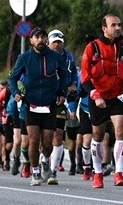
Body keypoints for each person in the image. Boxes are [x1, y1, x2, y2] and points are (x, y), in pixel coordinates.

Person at [11, 26, 70, 186]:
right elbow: (13, 77)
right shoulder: (24, 58)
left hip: (50, 103)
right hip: (31, 103)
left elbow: (65, 75)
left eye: (43, 37)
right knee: (34, 140)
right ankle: (35, 171)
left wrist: (61, 93)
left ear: (46, 40)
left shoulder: (55, 57)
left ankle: (45, 160)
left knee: (48, 142)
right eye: (37, 37)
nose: (40, 40)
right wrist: (16, 92)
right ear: (31, 40)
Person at [85, 13, 123, 188]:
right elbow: (84, 79)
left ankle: (119, 173)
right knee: (98, 135)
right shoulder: (92, 47)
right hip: (98, 97)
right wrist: (96, 96)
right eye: (113, 25)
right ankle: (97, 174)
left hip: (118, 95)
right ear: (104, 28)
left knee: (121, 131)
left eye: (119, 25)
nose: (118, 28)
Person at [45, 29, 80, 183]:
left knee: (57, 135)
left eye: (60, 41)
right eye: (54, 42)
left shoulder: (68, 58)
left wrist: (72, 88)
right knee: (43, 137)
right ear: (48, 43)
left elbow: (73, 79)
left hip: (60, 100)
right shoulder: (40, 55)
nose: (57, 44)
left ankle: (53, 172)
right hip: (42, 100)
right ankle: (43, 161)